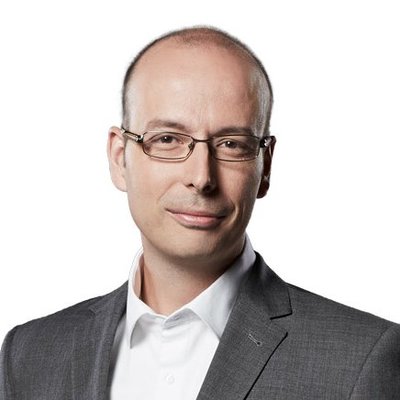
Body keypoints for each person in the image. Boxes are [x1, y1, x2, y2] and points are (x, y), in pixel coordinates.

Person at [1, 26, 399, 400]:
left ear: (265, 167)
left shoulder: (361, 360)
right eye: (167, 139)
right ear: (120, 158)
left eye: (231, 144)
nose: (201, 177)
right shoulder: (29, 354)